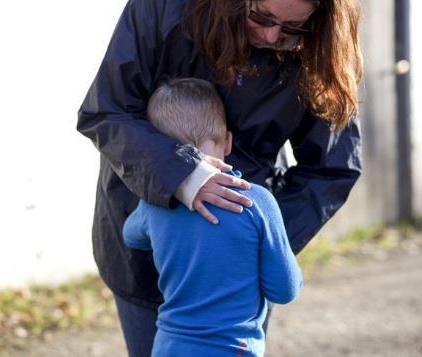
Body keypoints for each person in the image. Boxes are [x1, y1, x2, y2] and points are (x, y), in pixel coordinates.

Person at [77, 0, 363, 355]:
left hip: (238, 290)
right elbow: (107, 110)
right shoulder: (163, 8)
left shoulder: (320, 46)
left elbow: (332, 168)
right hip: (141, 255)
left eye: (293, 29)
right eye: (261, 17)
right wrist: (182, 174)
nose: (273, 36)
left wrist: (252, 246)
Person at [122, 77, 302, 356]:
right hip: (234, 348)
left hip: (169, 346)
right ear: (227, 141)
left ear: (161, 149)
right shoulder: (256, 201)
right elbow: (285, 290)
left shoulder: (156, 203)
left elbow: (130, 236)